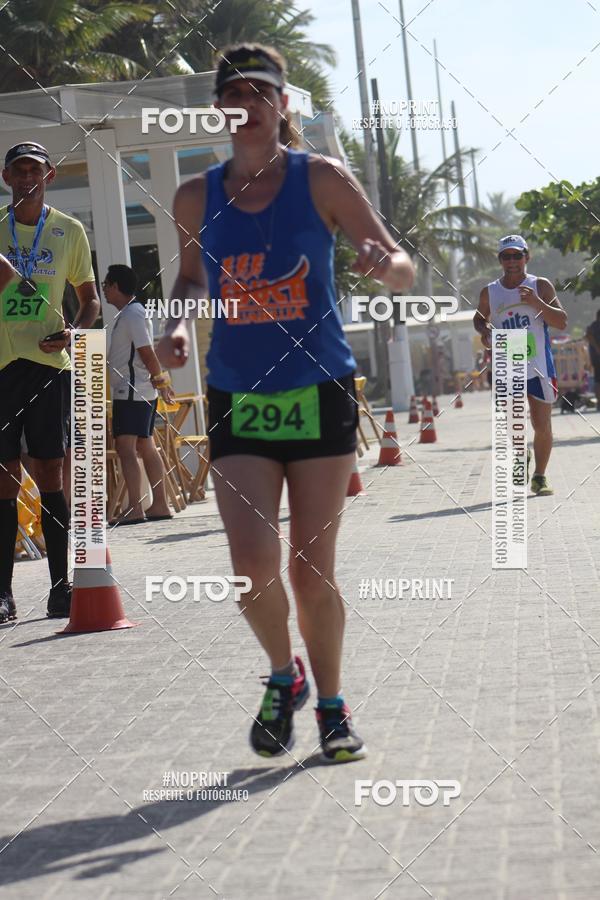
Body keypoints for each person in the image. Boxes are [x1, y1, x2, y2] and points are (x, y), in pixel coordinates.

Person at [158, 43, 415, 762]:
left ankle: (333, 708)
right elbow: (186, 279)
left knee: (310, 566)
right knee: (250, 565)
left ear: (282, 105)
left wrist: (380, 264)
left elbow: (400, 262)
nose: (248, 105)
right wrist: (178, 323)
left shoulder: (322, 179)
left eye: (261, 92)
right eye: (233, 93)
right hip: (238, 389)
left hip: (319, 388)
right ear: (220, 108)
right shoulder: (193, 196)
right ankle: (283, 675)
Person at [0, 141, 100, 623]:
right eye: (18, 171)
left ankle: (61, 588)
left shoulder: (68, 229)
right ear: (6, 177)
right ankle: (4, 596)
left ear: (49, 176)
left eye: (34, 171)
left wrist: (75, 330)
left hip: (49, 366)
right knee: (3, 480)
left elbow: (90, 298)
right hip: (1, 365)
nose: (26, 179)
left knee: (51, 476)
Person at [474, 235, 567, 496]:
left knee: (541, 423)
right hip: (509, 359)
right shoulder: (490, 291)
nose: (512, 261)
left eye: (517, 255)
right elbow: (479, 319)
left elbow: (561, 321)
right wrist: (485, 330)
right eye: (507, 256)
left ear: (527, 257)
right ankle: (521, 455)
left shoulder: (541, 286)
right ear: (500, 260)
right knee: (514, 423)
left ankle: (539, 476)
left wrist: (537, 303)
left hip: (539, 363)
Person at [104, 264, 175, 524]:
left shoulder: (132, 313)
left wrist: (162, 380)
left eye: (105, 285)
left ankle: (136, 508)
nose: (104, 291)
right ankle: (160, 504)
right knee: (146, 445)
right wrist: (160, 381)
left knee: (126, 447)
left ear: (114, 286)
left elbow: (146, 351)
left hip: (131, 390)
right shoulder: (132, 313)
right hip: (138, 390)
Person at [585, 309, 600, 411]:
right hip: (597, 358)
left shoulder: (592, 326)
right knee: (598, 380)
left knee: (597, 380)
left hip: (595, 358)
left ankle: (599, 403)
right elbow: (589, 336)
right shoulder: (594, 326)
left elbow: (588, 336)